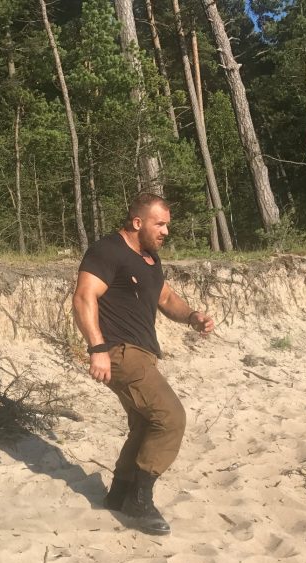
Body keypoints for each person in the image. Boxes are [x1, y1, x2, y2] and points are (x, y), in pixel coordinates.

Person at [72, 193, 214, 535]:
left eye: (168, 224)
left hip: (143, 353)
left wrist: (192, 316)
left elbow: (165, 297)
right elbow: (83, 296)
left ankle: (119, 493)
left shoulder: (149, 258)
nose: (166, 231)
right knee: (170, 418)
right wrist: (98, 348)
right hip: (120, 351)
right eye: (159, 224)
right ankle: (140, 499)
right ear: (137, 222)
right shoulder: (108, 251)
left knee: (145, 424)